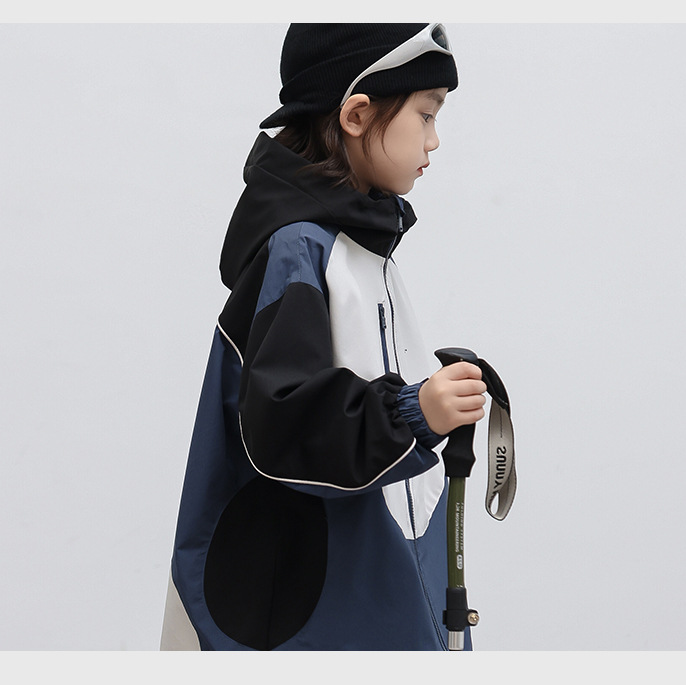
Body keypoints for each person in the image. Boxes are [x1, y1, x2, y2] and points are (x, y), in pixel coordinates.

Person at [160, 23, 487, 651]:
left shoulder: (361, 248)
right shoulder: (300, 249)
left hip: (371, 601)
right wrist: (413, 412)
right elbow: (287, 423)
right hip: (313, 621)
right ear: (357, 115)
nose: (435, 139)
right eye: (426, 114)